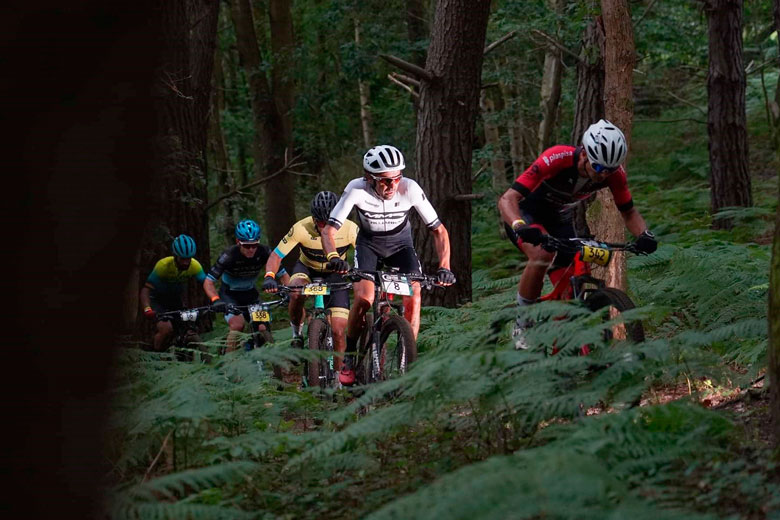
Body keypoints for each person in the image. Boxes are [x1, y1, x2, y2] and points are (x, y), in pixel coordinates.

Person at [497, 119, 658, 349]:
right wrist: (520, 225)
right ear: (584, 154)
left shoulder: (613, 174)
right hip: (526, 215)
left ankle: (564, 339)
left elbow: (629, 211)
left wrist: (644, 235)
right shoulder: (557, 158)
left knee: (572, 277)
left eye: (610, 170)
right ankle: (523, 323)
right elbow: (507, 199)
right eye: (599, 168)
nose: (604, 176)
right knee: (542, 256)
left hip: (559, 220)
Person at [322, 144, 456, 385]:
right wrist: (333, 258)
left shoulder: (410, 188)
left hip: (400, 247)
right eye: (384, 181)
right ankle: (350, 358)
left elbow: (439, 231)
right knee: (364, 299)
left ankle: (407, 360)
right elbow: (329, 231)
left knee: (414, 295)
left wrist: (445, 266)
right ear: (369, 178)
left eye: (396, 178)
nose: (392, 186)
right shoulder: (356, 189)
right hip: (369, 246)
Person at [263, 191, 358, 374]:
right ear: (313, 218)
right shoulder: (301, 227)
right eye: (320, 222)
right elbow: (276, 255)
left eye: (328, 223)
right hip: (306, 268)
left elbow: (364, 252)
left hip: (334, 272)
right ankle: (296, 335)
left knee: (338, 330)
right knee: (295, 292)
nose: (324, 227)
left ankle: (338, 380)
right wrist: (269, 276)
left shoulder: (350, 228)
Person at [203, 219, 289, 352]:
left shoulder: (264, 252)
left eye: (254, 245)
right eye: (246, 246)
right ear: (238, 242)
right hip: (229, 295)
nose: (251, 249)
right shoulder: (229, 255)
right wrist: (216, 300)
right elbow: (208, 281)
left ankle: (259, 352)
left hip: (250, 293)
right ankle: (229, 364)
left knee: (262, 328)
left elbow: (283, 275)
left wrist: (289, 292)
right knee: (237, 325)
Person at [140, 234, 207, 351]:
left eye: (189, 259)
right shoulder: (163, 266)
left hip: (175, 299)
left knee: (187, 327)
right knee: (166, 329)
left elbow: (207, 285)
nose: (186, 263)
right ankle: (156, 356)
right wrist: (147, 309)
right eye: (183, 259)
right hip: (157, 300)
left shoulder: (195, 265)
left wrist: (216, 300)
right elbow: (145, 290)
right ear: (175, 256)